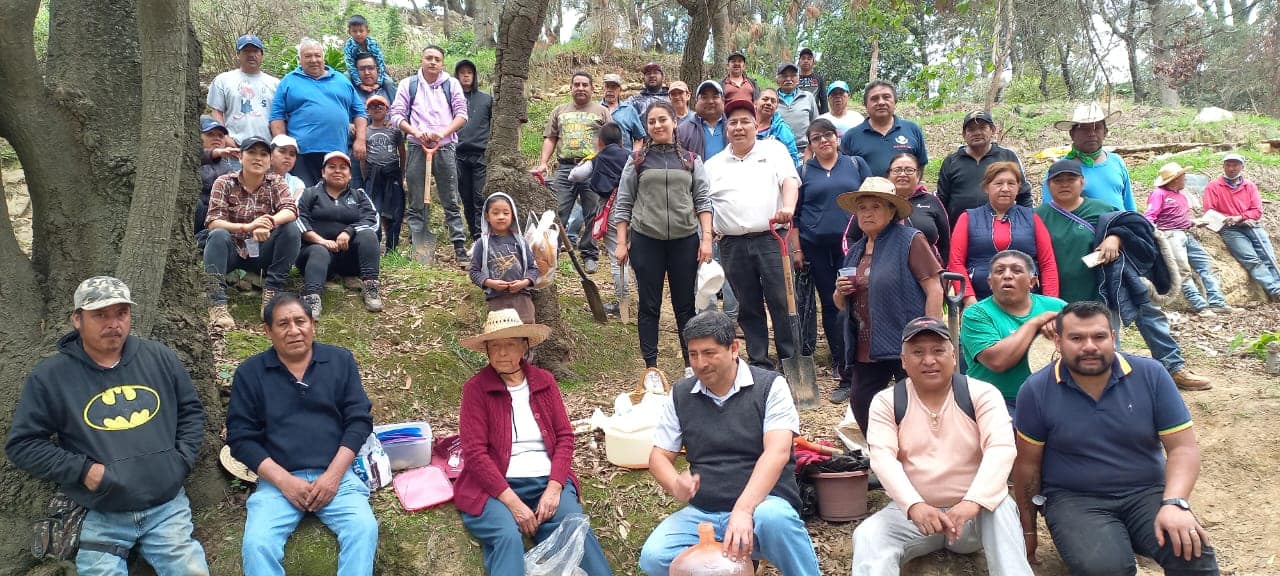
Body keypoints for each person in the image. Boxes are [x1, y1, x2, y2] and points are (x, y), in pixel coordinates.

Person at [6, 276, 209, 575]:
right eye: (100, 314)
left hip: (166, 506)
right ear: (77, 319)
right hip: (101, 510)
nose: (113, 323)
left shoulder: (159, 358)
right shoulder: (51, 377)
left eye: (121, 313)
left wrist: (179, 461)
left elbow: (191, 412)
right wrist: (83, 471)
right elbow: (23, 445)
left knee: (190, 570)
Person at [1013, 301, 1221, 574]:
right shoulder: (1036, 390)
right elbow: (1027, 466)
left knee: (1193, 555)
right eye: (1076, 338)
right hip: (1075, 499)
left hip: (1147, 492)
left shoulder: (1152, 375)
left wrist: (1175, 502)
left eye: (1099, 336)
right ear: (1058, 341)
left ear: (1113, 337)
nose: (1089, 346)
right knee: (1105, 568)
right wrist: (1028, 532)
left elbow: (1183, 448)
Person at [639, 311, 820, 576]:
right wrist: (675, 483)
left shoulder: (771, 387)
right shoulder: (681, 394)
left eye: (709, 353)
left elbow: (777, 452)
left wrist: (744, 509)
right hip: (705, 511)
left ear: (734, 348)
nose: (700, 363)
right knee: (655, 557)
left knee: (775, 519)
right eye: (693, 354)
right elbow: (658, 457)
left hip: (763, 506)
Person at [852, 317, 1030, 575]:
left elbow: (1001, 448)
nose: (929, 360)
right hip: (916, 517)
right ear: (903, 360)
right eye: (917, 352)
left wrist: (973, 502)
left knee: (1001, 508)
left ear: (954, 356)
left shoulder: (981, 393)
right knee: (868, 535)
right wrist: (914, 505)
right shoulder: (887, 401)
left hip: (974, 516)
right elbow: (882, 458)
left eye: (938, 350)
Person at [227, 294, 378, 576]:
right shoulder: (250, 373)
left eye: (300, 321)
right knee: (257, 543)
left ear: (313, 325)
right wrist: (284, 482)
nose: (294, 330)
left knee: (363, 528)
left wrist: (333, 477)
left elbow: (359, 421)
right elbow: (241, 438)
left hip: (337, 476)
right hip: (277, 481)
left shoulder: (340, 361)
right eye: (283, 324)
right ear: (267, 331)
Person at [455, 310, 613, 575]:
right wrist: (514, 505)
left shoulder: (544, 382)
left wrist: (554, 488)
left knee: (575, 529)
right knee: (507, 537)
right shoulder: (476, 389)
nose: (501, 353)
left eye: (508, 344)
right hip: (495, 487)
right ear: (486, 350)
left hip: (544, 480)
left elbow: (564, 437)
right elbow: (474, 453)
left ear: (524, 345)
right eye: (494, 346)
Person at [1035, 159, 1213, 391]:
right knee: (1074, 344)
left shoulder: (1102, 209)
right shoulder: (1038, 216)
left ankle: (1163, 372)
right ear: (1049, 185)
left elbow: (1136, 228)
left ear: (1082, 182)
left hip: (1106, 290)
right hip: (1063, 293)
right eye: (1058, 180)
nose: (1064, 184)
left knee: (1112, 342)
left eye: (1071, 179)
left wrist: (1115, 237)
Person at [834, 177, 943, 435]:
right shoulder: (855, 251)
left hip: (905, 339)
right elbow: (840, 304)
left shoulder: (909, 240)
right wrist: (840, 291)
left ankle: (917, 456)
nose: (867, 213)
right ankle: (882, 454)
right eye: (862, 208)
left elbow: (934, 287)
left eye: (875, 206)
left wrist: (930, 334)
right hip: (866, 344)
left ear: (892, 211)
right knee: (862, 402)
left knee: (915, 403)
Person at [613, 101, 714, 371]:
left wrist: (706, 240)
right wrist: (621, 243)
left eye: (662, 120)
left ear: (674, 123)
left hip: (685, 240)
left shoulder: (691, 160)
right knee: (649, 306)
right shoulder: (636, 161)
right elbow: (623, 203)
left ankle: (691, 366)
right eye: (651, 122)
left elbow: (703, 201)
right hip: (646, 241)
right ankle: (651, 369)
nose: (657, 125)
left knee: (685, 307)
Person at [705, 99, 800, 370]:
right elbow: (704, 205)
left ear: (756, 125)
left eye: (745, 121)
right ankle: (759, 361)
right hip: (733, 244)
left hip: (772, 239)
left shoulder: (774, 150)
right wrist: (708, 236)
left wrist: (789, 207)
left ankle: (790, 359)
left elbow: (790, 181)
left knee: (782, 300)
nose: (739, 127)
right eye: (733, 122)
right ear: (726, 128)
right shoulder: (714, 165)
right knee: (747, 305)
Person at [796, 118, 873, 403]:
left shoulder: (855, 165)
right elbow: (796, 215)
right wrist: (797, 250)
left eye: (827, 135)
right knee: (831, 305)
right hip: (816, 249)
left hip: (852, 248)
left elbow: (872, 200)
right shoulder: (804, 170)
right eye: (816, 138)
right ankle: (845, 371)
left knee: (859, 300)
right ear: (811, 145)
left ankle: (868, 366)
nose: (823, 141)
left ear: (837, 137)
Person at [203, 136, 301, 328]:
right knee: (218, 234)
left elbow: (291, 210)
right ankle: (216, 301)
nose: (258, 158)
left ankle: (272, 291)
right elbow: (213, 221)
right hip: (231, 251)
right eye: (252, 153)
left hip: (262, 251)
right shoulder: (224, 182)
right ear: (240, 157)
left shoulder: (276, 182)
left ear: (270, 159)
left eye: (264, 154)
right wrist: (247, 227)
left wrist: (270, 222)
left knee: (290, 229)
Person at [389, 45, 471, 266]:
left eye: (437, 59)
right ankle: (420, 251)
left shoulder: (451, 84)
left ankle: (459, 248)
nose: (433, 62)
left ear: (442, 63)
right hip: (417, 147)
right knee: (417, 201)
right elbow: (396, 115)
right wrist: (416, 132)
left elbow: (462, 115)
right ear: (421, 60)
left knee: (451, 200)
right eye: (429, 58)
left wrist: (441, 133)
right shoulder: (409, 84)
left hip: (444, 148)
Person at [959, 250, 1065, 411]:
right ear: (990, 282)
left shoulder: (1058, 307)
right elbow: (998, 361)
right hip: (994, 401)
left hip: (1051, 396)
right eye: (999, 271)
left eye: (1017, 270)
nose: (1007, 276)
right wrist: (1035, 323)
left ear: (1032, 281)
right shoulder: (975, 314)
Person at [532, 72, 610, 274]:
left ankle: (590, 254)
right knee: (557, 212)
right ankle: (552, 254)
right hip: (565, 167)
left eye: (585, 84)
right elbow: (551, 138)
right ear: (571, 87)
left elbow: (610, 140)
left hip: (593, 167)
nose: (581, 88)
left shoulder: (602, 112)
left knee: (592, 212)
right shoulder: (560, 110)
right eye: (577, 84)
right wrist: (543, 163)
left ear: (592, 88)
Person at [948, 162, 1059, 303]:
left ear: (1018, 188)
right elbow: (956, 262)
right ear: (986, 187)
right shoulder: (968, 218)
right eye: (998, 183)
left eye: (1011, 183)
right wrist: (969, 299)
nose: (1005, 189)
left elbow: (1047, 263)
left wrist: (1049, 303)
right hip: (980, 301)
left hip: (1028, 302)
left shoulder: (1032, 217)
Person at [269, 38, 368, 187]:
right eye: (308, 56)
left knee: (335, 198)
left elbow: (359, 112)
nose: (313, 60)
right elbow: (277, 116)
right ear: (299, 59)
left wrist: (360, 140)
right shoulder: (288, 82)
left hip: (336, 154)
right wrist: (283, 148)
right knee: (304, 197)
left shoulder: (342, 80)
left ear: (323, 57)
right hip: (302, 154)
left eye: (317, 55)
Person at [296, 151, 384, 316]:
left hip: (349, 258)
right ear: (323, 172)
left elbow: (372, 221)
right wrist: (320, 241)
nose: (338, 171)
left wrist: (348, 231)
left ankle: (371, 286)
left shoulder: (359, 195)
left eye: (343, 167)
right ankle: (312, 298)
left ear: (350, 175)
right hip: (315, 256)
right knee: (318, 251)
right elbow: (298, 220)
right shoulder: (309, 194)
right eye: (332, 167)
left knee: (368, 235)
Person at [1146, 162, 1233, 314]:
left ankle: (1217, 302)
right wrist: (1157, 235)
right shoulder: (1159, 194)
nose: (1185, 179)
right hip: (1170, 235)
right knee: (1183, 271)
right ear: (1174, 179)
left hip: (1186, 233)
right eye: (1182, 176)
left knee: (1208, 265)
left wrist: (1194, 222)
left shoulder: (1181, 196)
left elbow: (1179, 217)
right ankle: (1200, 306)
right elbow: (1149, 217)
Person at [571, 123, 633, 319]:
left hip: (612, 210)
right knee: (639, 259)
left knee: (618, 260)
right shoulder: (632, 157)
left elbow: (575, 175)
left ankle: (623, 303)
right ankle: (643, 300)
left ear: (600, 142)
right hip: (637, 211)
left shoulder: (599, 157)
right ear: (621, 141)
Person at [1202, 153, 1280, 300]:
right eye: (1228, 165)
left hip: (1251, 225)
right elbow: (1209, 211)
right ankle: (1274, 290)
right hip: (1230, 229)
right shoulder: (1214, 186)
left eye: (1235, 165)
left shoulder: (1249, 186)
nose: (1231, 168)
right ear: (1223, 166)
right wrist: (1227, 219)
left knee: (1268, 255)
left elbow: (1257, 210)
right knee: (1251, 259)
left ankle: (1278, 285)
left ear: (1242, 167)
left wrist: (1242, 217)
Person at [847, 152, 950, 264]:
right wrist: (858, 262)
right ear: (888, 175)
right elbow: (850, 237)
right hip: (880, 271)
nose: (902, 174)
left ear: (918, 174)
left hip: (926, 270)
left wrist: (942, 268)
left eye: (909, 170)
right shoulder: (871, 202)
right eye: (897, 170)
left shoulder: (931, 201)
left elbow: (945, 241)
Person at [936, 110, 1032, 228]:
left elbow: (1024, 195)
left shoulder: (1007, 157)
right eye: (971, 129)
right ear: (964, 134)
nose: (977, 133)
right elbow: (941, 200)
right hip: (959, 230)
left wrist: (1027, 224)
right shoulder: (951, 161)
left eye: (982, 128)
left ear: (992, 130)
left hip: (1003, 230)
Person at [1050, 102, 1135, 211]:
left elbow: (1129, 205)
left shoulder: (1116, 162)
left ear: (1105, 132)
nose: (1091, 134)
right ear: (1072, 134)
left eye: (1097, 128)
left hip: (1122, 226)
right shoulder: (1059, 171)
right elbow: (1052, 214)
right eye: (1084, 129)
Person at [470, 193, 540, 324]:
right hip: (496, 299)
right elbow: (474, 272)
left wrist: (524, 283)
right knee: (501, 332)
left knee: (525, 331)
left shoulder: (521, 242)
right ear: (487, 217)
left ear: (512, 216)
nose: (501, 217)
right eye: (495, 213)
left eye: (506, 213)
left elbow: (533, 268)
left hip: (521, 297)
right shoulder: (482, 243)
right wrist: (490, 283)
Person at [839, 80, 928, 177]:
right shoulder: (851, 136)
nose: (881, 102)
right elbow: (843, 171)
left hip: (906, 192)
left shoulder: (912, 129)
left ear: (895, 101)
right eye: (874, 99)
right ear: (865, 105)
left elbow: (921, 165)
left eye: (886, 97)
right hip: (866, 192)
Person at [207, 34, 278, 145]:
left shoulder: (275, 84)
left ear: (262, 55)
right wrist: (225, 138)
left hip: (265, 148)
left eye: (255, 51)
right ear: (238, 55)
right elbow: (216, 111)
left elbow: (279, 116)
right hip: (234, 146)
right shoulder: (223, 80)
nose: (251, 55)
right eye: (246, 51)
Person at [361, 94, 406, 253]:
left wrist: (401, 174)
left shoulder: (394, 131)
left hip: (392, 173)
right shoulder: (364, 131)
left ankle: (392, 249)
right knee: (374, 210)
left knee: (395, 211)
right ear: (368, 111)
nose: (377, 108)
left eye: (381, 106)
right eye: (373, 106)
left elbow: (402, 152)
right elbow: (363, 157)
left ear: (387, 109)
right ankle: (374, 246)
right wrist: (366, 176)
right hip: (373, 175)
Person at [455, 59, 493, 242]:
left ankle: (480, 233)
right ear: (457, 76)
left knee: (479, 195)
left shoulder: (486, 100)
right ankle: (472, 230)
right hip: (458, 154)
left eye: (469, 72)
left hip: (480, 154)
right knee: (466, 196)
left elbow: (494, 125)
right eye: (462, 72)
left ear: (474, 75)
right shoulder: (451, 99)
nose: (466, 75)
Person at [199, 115, 242, 236]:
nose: (217, 138)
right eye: (210, 134)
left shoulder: (229, 169)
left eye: (220, 136)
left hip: (216, 223)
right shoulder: (188, 160)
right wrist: (215, 153)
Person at [616, 62, 672, 150]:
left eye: (656, 72)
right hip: (644, 151)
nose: (652, 75)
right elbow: (619, 112)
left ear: (663, 77)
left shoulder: (672, 98)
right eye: (648, 74)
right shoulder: (634, 101)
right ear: (644, 78)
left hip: (671, 148)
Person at [773, 63, 818, 154]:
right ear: (777, 80)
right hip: (778, 152)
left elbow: (816, 124)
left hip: (804, 151)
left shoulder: (808, 97)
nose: (788, 79)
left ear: (798, 79)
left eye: (793, 76)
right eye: (784, 76)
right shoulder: (771, 99)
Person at [676, 80, 727, 160]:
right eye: (704, 97)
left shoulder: (733, 127)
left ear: (723, 101)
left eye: (715, 97)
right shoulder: (683, 130)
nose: (710, 101)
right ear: (696, 101)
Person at [754, 88, 801, 167]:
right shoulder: (745, 125)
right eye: (765, 99)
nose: (769, 103)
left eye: (773, 101)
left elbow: (792, 158)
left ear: (776, 107)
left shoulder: (782, 130)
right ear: (755, 103)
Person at [342, 15, 390, 88]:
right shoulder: (348, 46)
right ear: (349, 32)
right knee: (346, 77)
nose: (358, 34)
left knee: (389, 82)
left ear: (367, 31)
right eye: (354, 31)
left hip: (372, 69)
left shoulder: (373, 43)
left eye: (361, 31)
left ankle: (394, 98)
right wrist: (360, 84)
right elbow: (350, 66)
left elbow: (380, 62)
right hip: (357, 70)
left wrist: (379, 82)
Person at [269, 134, 307, 201]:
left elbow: (294, 208)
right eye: (282, 151)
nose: (287, 157)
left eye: (292, 154)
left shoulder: (297, 183)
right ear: (270, 154)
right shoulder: (257, 177)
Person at [795, 47, 827, 114]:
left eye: (809, 58)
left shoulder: (819, 79)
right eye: (803, 58)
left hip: (815, 116)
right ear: (799, 61)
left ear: (813, 62)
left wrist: (824, 119)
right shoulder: (793, 79)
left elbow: (824, 102)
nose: (806, 61)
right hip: (797, 115)